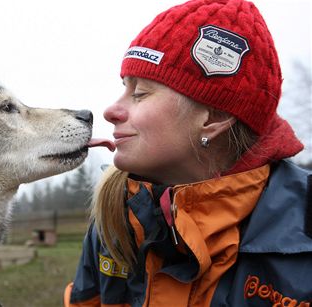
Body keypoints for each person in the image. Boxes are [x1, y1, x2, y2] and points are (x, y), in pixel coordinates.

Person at [64, 0, 312, 306]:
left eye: (139, 94)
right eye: (124, 88)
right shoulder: (117, 216)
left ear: (213, 119)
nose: (111, 110)